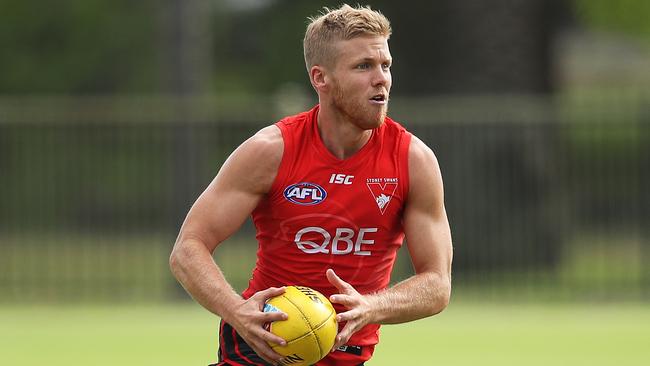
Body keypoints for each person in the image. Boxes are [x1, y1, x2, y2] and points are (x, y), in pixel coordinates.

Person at [170, 4, 453, 366]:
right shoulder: (271, 150)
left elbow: (437, 284)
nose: (381, 78)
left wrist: (372, 306)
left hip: (347, 355)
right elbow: (187, 248)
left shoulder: (414, 160)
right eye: (363, 66)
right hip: (259, 349)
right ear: (321, 78)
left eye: (385, 65)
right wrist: (238, 311)